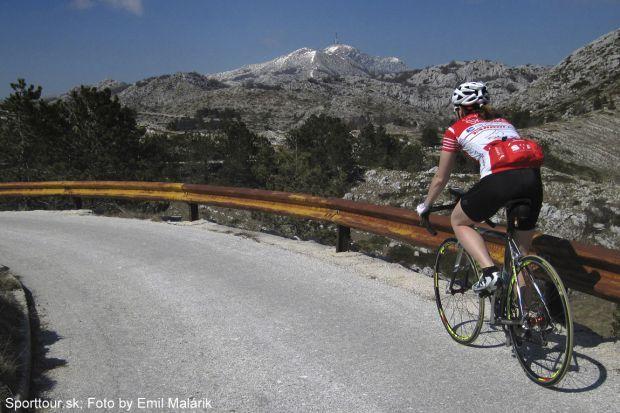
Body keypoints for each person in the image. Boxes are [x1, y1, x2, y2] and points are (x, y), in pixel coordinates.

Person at [416, 81, 543, 293]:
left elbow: (441, 177)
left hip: (500, 181)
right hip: (532, 180)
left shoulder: (455, 130)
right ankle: (530, 316)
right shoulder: (504, 122)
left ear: (460, 109)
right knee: (520, 257)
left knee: (459, 221)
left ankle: (489, 272)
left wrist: (426, 205)